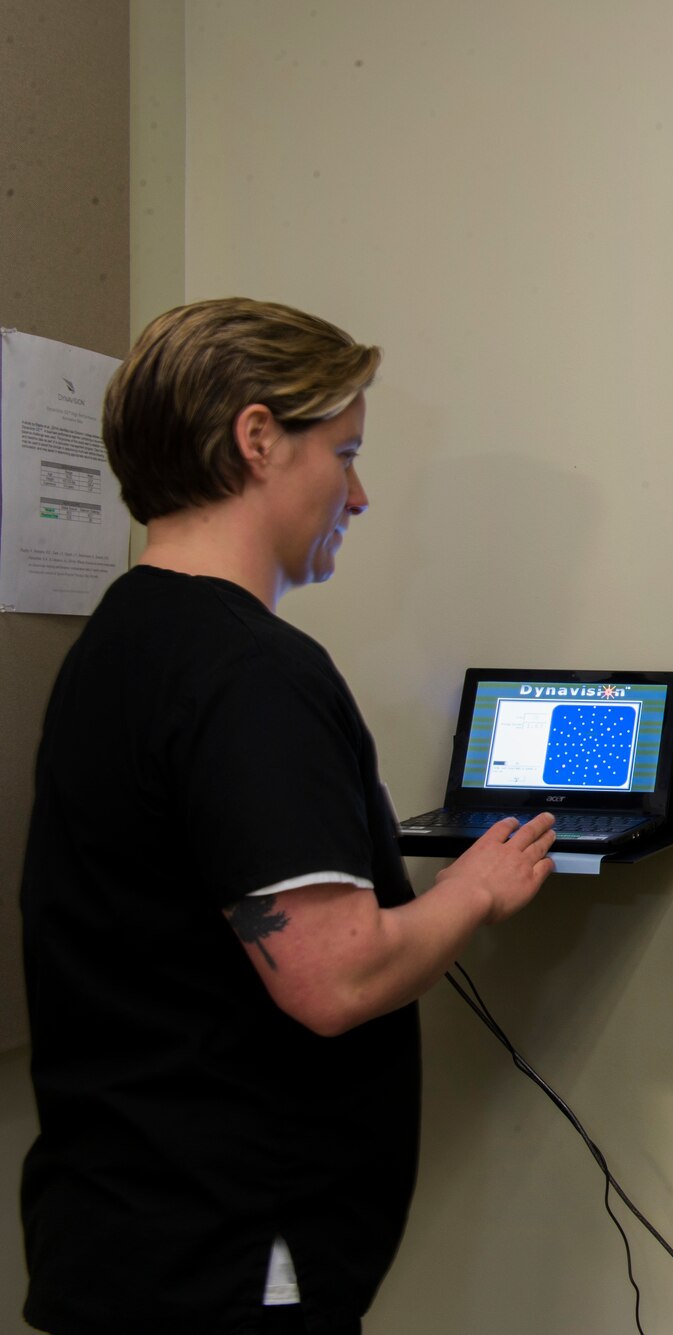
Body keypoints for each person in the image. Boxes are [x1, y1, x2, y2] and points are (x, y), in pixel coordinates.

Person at [18, 298, 557, 1335]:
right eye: (343, 454)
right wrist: (472, 893)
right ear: (258, 438)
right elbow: (332, 977)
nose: (357, 494)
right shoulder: (249, 674)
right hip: (231, 1263)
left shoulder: (116, 645)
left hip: (119, 1237)